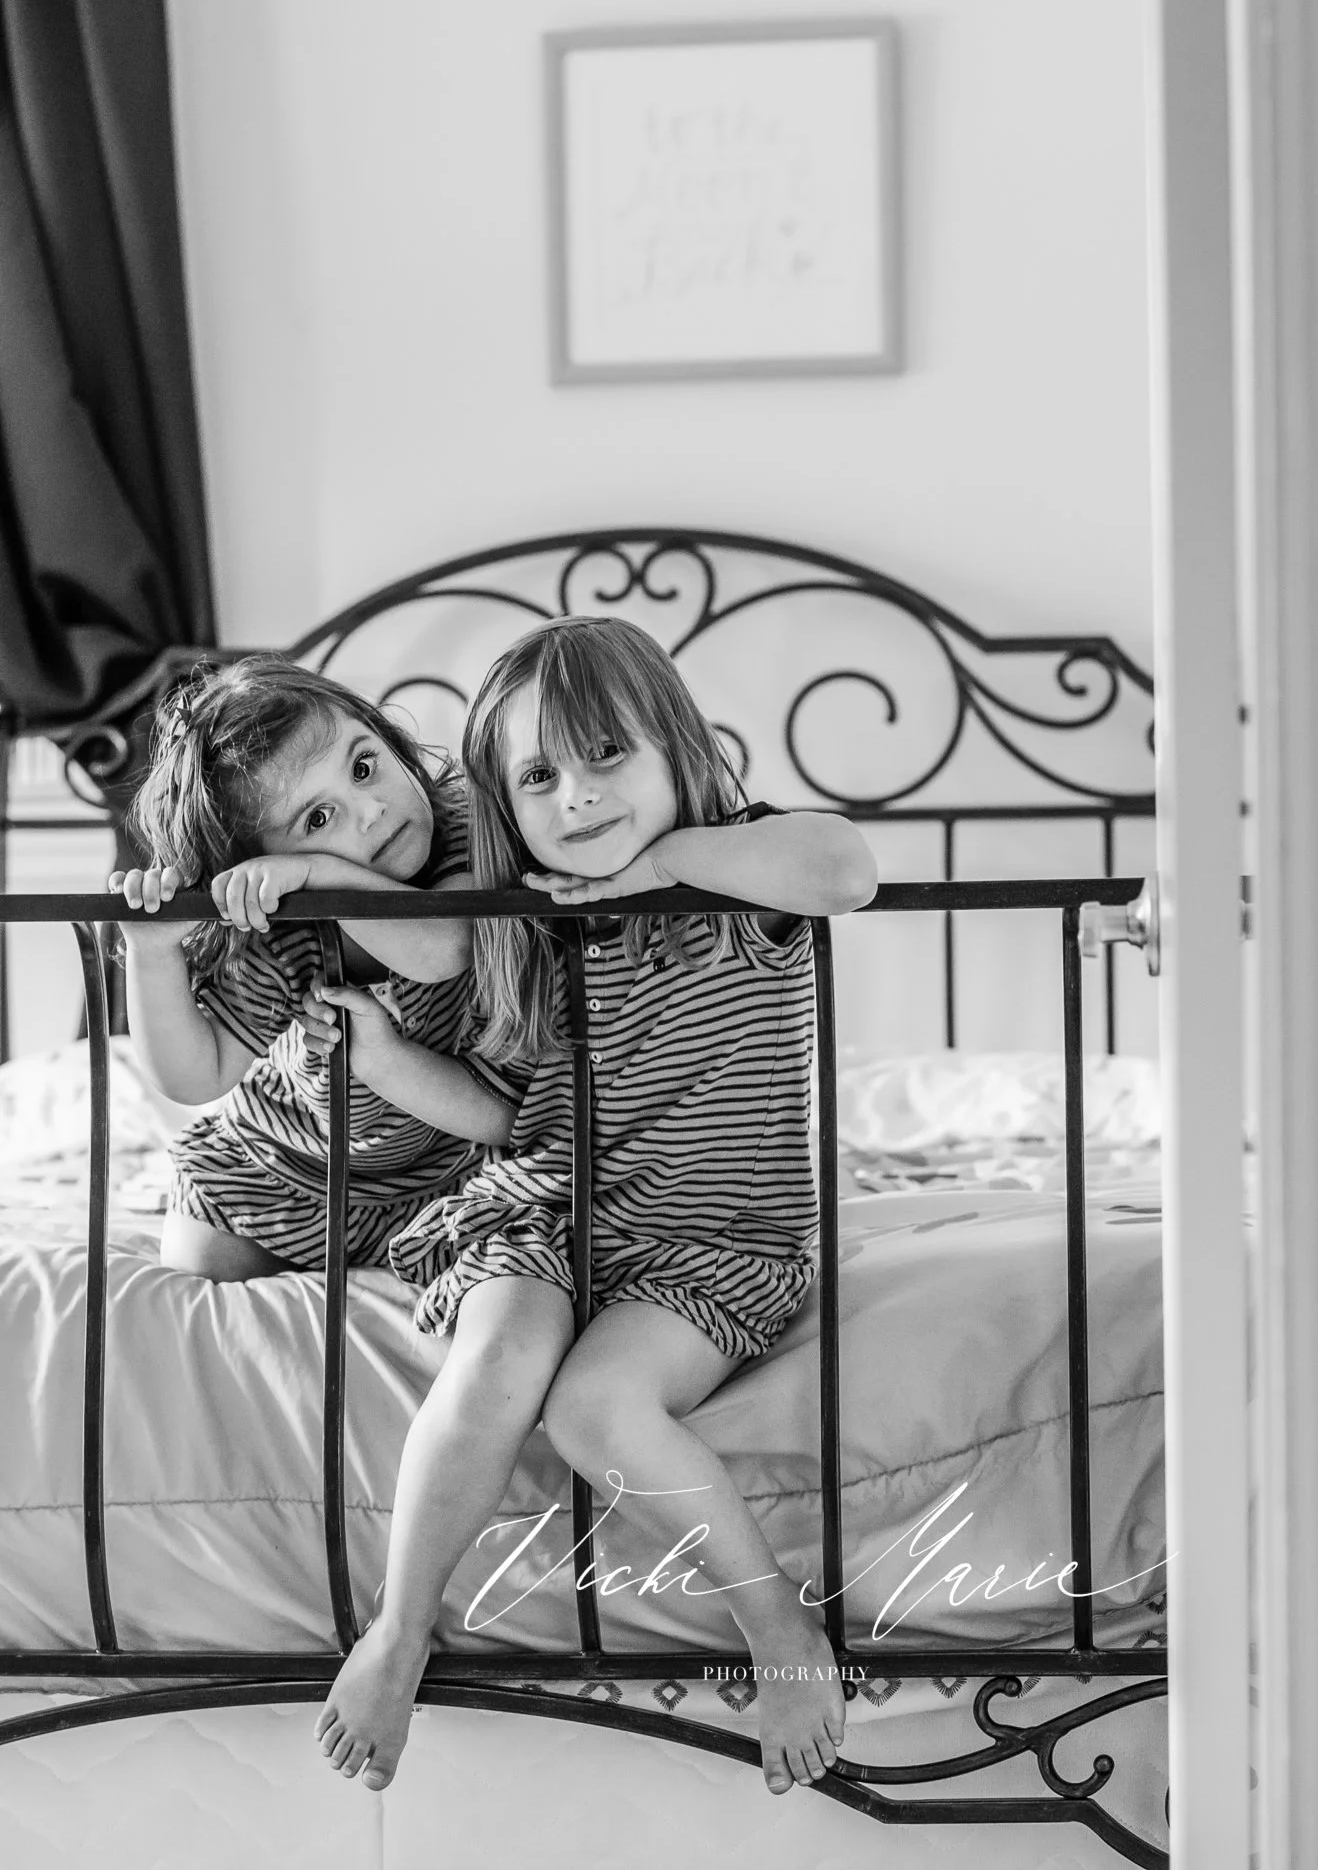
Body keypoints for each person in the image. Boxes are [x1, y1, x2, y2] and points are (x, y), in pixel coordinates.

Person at [315, 615, 879, 1796]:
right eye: (538, 776)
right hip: (555, 1207)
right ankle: (400, 1624)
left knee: (596, 1407)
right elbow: (488, 1099)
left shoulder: (745, 871)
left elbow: (849, 869)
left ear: (677, 747)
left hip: (711, 1238)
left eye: (606, 754)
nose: (576, 796)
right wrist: (360, 1009)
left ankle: (774, 1619)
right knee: (501, 1352)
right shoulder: (535, 914)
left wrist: (659, 863)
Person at [111, 656, 521, 1279]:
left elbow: (445, 948)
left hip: (449, 1163)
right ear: (255, 864)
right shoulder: (280, 927)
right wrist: (152, 953)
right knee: (194, 1266)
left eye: (364, 767)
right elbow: (197, 1075)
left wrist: (323, 870)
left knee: (527, 1241)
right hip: (289, 1165)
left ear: (389, 739)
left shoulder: (468, 830)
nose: (371, 810)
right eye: (318, 819)